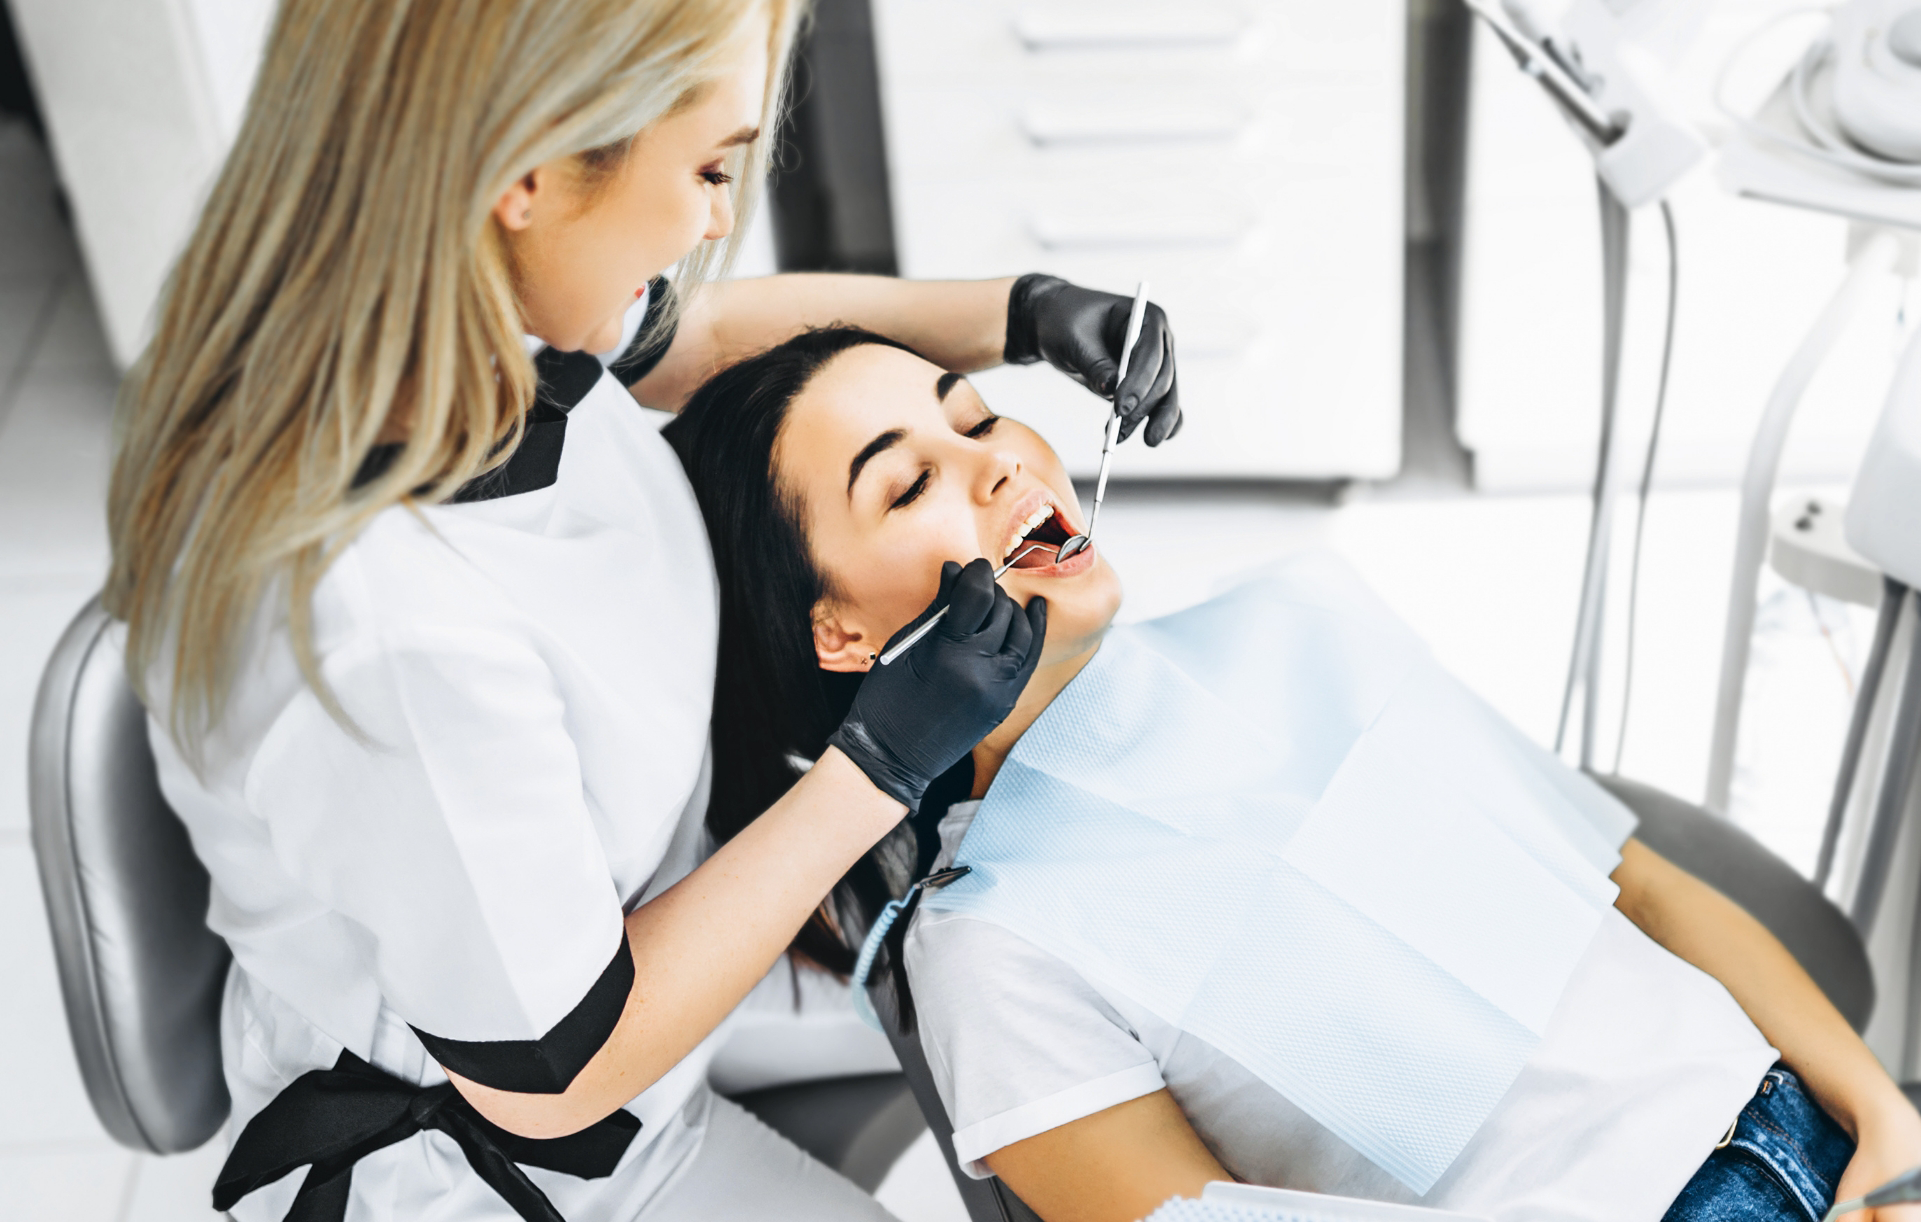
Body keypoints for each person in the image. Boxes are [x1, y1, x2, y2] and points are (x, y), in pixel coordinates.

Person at [101, 2, 1180, 1219]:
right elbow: (553, 1072)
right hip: (532, 1152)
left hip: (657, 909)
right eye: (709, 169)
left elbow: (693, 338)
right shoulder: (397, 633)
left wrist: (1019, 315)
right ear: (528, 175)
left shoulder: (450, 311)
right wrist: (872, 766)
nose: (718, 217)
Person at [667, 327, 1921, 1222]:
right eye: (909, 485)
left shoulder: (1301, 623)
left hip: (1836, 1139)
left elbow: (1646, 893)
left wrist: (1883, 1114)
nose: (999, 461)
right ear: (838, 632)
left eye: (977, 417)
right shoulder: (988, 947)